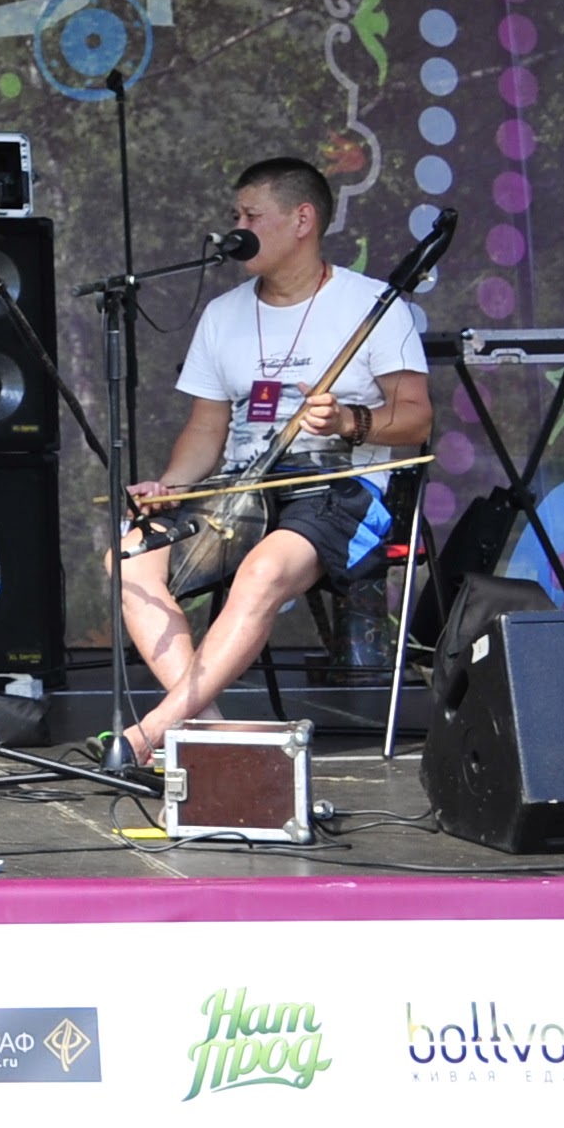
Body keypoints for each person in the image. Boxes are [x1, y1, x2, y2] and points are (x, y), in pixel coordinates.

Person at [114, 156, 432, 768]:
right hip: (243, 491)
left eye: (251, 216)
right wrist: (171, 485)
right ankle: (209, 731)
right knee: (126, 558)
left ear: (302, 220)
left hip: (338, 491)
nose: (236, 228)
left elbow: (416, 418)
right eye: (235, 215)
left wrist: (349, 421)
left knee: (261, 573)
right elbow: (206, 429)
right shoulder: (223, 313)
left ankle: (153, 732)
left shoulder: (372, 304)